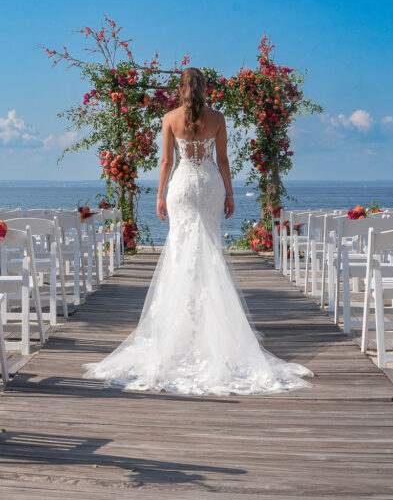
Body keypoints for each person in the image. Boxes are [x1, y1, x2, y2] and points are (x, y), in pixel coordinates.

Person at [83, 67, 313, 394]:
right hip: (209, 186)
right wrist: (231, 194)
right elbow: (222, 162)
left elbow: (166, 163)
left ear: (180, 89)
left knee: (180, 251)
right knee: (209, 250)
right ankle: (212, 329)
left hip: (181, 186)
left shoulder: (169, 118)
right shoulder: (218, 118)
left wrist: (160, 195)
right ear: (205, 88)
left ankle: (179, 330)